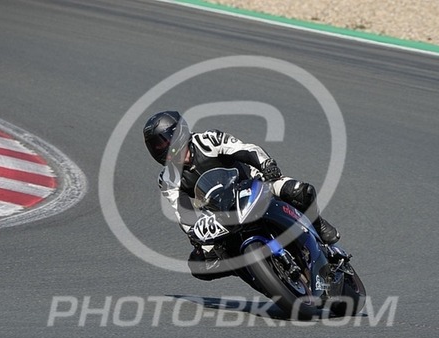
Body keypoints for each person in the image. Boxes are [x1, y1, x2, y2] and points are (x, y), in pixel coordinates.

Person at [143, 110, 339, 280]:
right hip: (220, 213)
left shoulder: (208, 140)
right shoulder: (167, 179)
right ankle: (251, 272)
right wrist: (196, 235)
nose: (163, 148)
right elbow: (181, 211)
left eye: (164, 141)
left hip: (255, 185)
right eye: (156, 146)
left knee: (298, 191)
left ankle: (317, 224)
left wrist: (266, 164)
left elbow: (245, 149)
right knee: (199, 265)